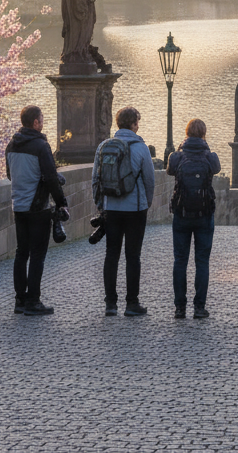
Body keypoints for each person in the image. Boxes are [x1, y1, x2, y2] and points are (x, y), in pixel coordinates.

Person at [92, 105, 155, 317]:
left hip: (111, 209)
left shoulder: (103, 146)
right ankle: (131, 303)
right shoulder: (141, 147)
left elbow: (95, 180)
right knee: (133, 256)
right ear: (134, 124)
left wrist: (101, 205)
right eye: (138, 121)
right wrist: (147, 203)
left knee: (111, 255)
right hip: (135, 209)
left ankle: (110, 304)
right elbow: (149, 180)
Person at [5, 105, 67, 316]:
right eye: (42, 119)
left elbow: (9, 174)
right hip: (38, 206)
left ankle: (20, 300)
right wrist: (61, 202)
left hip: (19, 206)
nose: (43, 122)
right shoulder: (41, 146)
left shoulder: (12, 145)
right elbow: (50, 177)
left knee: (21, 253)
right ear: (35, 123)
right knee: (37, 255)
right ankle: (34, 301)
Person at [167, 118, 221, 319]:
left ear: (186, 133)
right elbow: (217, 169)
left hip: (181, 213)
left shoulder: (178, 156)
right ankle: (199, 307)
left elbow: (169, 170)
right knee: (202, 261)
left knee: (180, 260)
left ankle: (179, 308)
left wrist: (180, 148)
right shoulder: (210, 156)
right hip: (204, 214)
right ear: (204, 134)